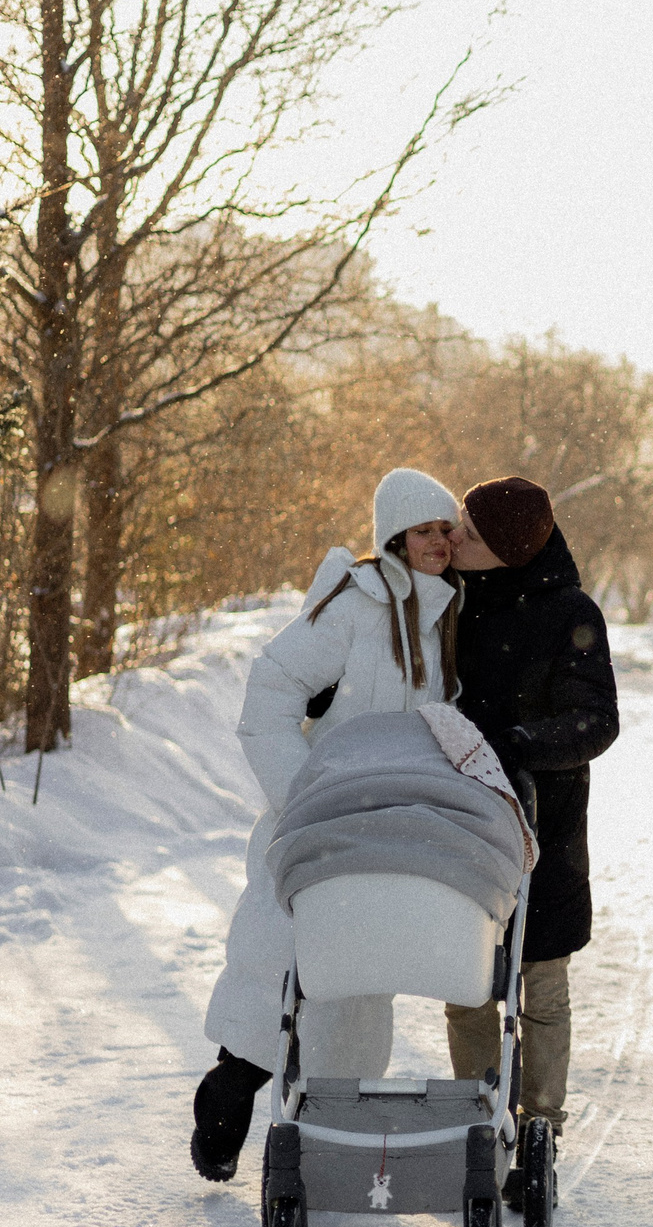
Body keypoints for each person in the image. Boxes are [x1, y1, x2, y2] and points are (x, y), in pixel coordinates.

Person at [189, 467, 466, 1181]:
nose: (442, 541)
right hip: (314, 821)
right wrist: (300, 794)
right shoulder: (353, 604)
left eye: (448, 529)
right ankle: (225, 1103)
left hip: (385, 832)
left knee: (353, 981)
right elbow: (269, 697)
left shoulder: (443, 617)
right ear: (396, 534)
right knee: (274, 966)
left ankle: (329, 1134)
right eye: (428, 529)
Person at [443, 476, 619, 1200]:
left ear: (511, 553)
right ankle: (478, 1116)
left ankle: (540, 1125)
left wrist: (521, 742)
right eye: (457, 525)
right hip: (462, 825)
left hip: (545, 826)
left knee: (541, 983)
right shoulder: (445, 604)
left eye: (471, 535)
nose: (454, 540)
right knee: (465, 986)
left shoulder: (571, 613)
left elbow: (597, 720)